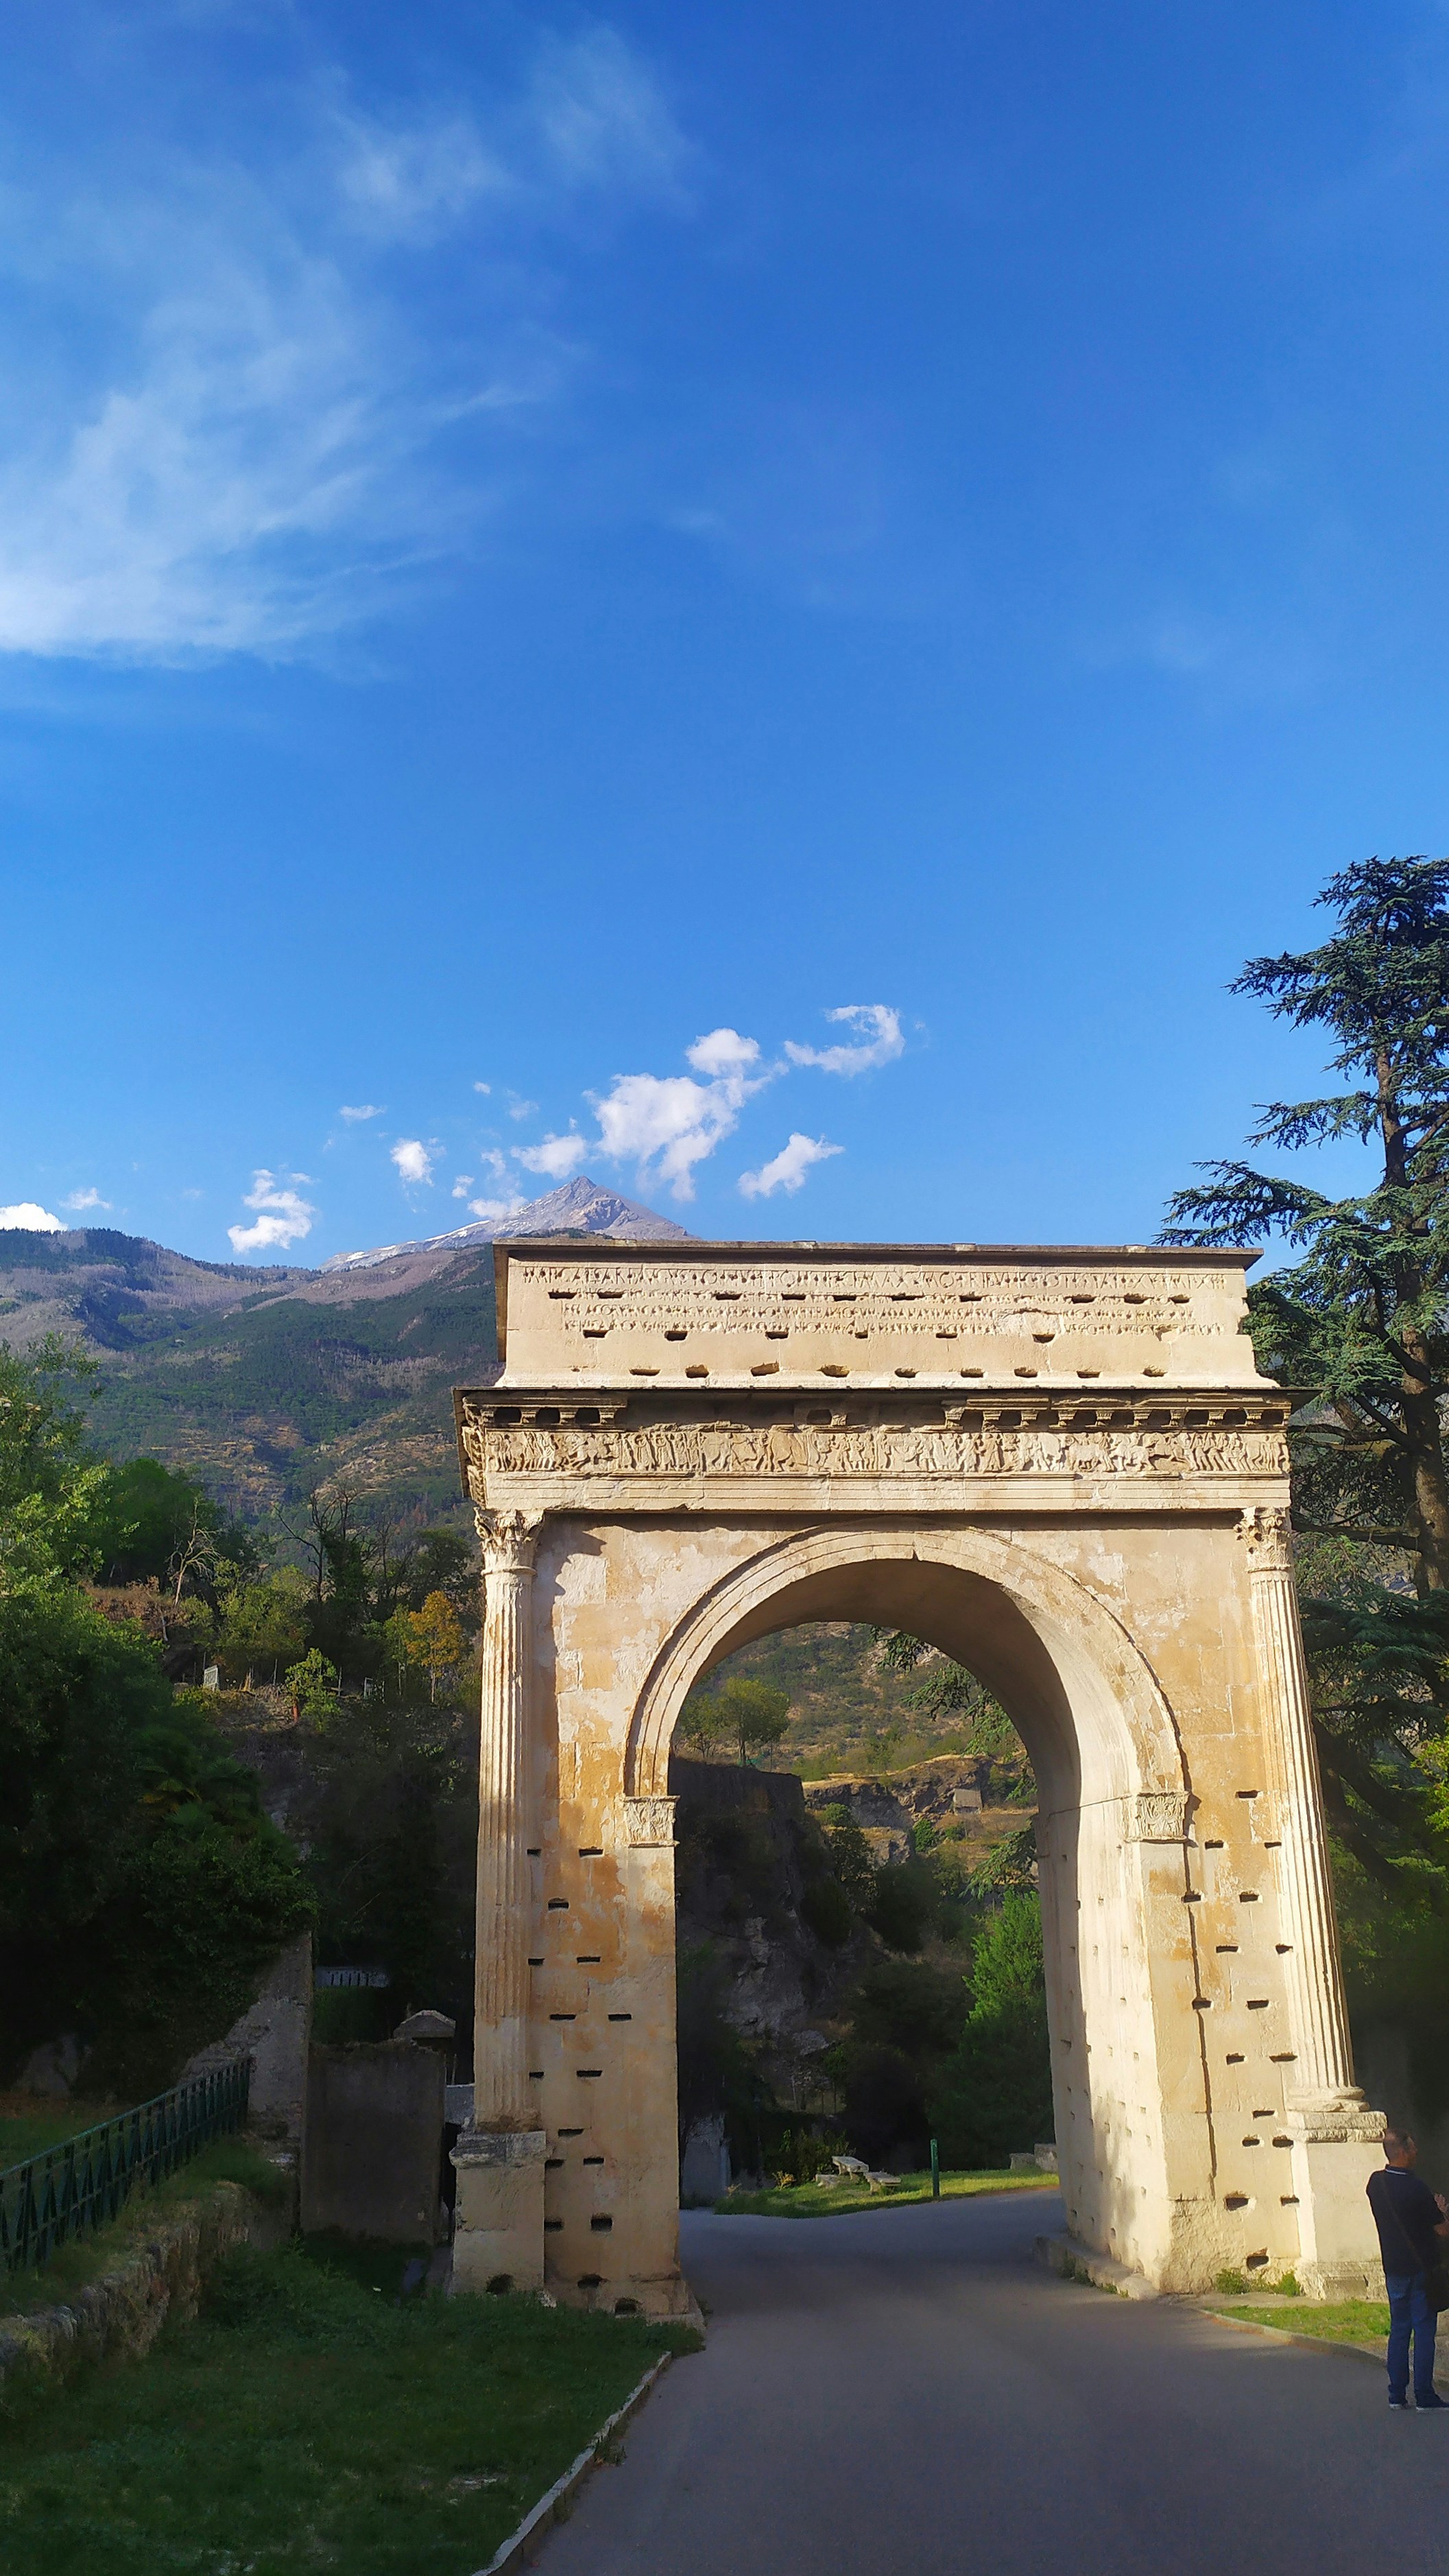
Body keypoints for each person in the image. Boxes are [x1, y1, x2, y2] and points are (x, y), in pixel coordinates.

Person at [1365, 2127, 1449, 2411]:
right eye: (1412, 2148)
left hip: (1394, 2267)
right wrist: (1442, 2209)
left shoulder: (1375, 2184)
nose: (1416, 2153)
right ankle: (1425, 2395)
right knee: (1424, 2331)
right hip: (1421, 2268)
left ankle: (1396, 2395)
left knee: (1399, 2330)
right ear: (1402, 2152)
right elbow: (1442, 2230)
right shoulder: (1418, 2188)